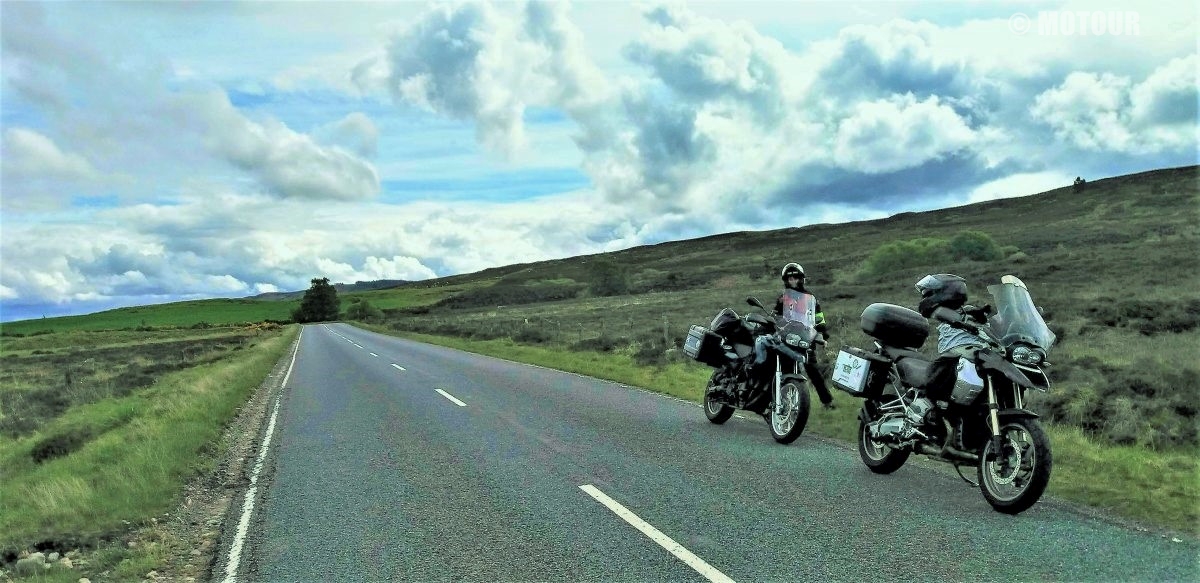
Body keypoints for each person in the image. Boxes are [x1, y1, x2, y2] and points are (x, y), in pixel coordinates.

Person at [753, 262, 835, 409]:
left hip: (805, 338)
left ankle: (827, 402)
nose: (793, 281)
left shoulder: (810, 297)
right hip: (787, 337)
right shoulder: (783, 298)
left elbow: (819, 318)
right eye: (790, 279)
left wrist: (822, 334)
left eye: (796, 278)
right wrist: (768, 324)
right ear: (786, 280)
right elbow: (775, 315)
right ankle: (781, 402)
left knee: (813, 370)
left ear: (801, 279)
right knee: (785, 368)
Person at [914, 273, 988, 401]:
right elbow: (932, 311)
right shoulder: (939, 311)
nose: (925, 298)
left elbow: (983, 319)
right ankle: (926, 402)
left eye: (928, 294)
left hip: (975, 353)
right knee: (938, 373)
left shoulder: (967, 310)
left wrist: (982, 314)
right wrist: (961, 321)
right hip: (955, 353)